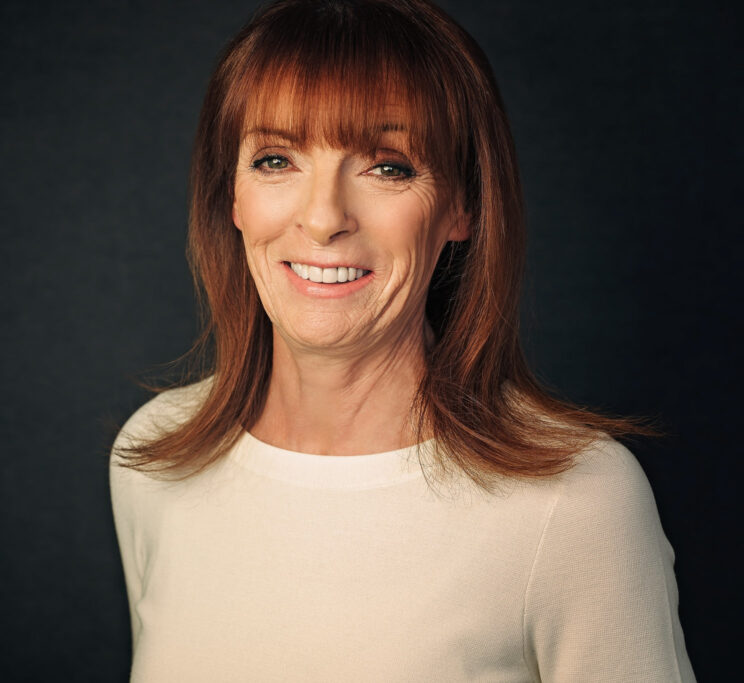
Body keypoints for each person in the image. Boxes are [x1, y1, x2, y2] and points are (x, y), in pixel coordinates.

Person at [110, 0, 694, 680]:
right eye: (276, 159)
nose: (324, 217)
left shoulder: (577, 502)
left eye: (388, 166)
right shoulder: (150, 461)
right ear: (232, 199)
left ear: (460, 207)